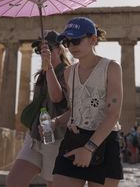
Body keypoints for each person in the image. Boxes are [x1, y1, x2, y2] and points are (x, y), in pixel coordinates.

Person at [51, 17, 124, 186]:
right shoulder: (69, 73)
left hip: (104, 141)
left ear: (93, 39)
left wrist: (89, 148)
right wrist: (56, 122)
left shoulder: (111, 68)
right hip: (74, 139)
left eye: (76, 40)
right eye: (67, 42)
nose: (70, 47)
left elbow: (113, 114)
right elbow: (76, 109)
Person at [6, 31, 70, 187]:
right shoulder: (41, 75)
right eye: (39, 50)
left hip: (57, 139)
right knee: (14, 182)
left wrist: (49, 67)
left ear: (59, 50)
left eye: (47, 48)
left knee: (52, 183)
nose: (42, 53)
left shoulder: (69, 72)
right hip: (35, 136)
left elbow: (57, 98)